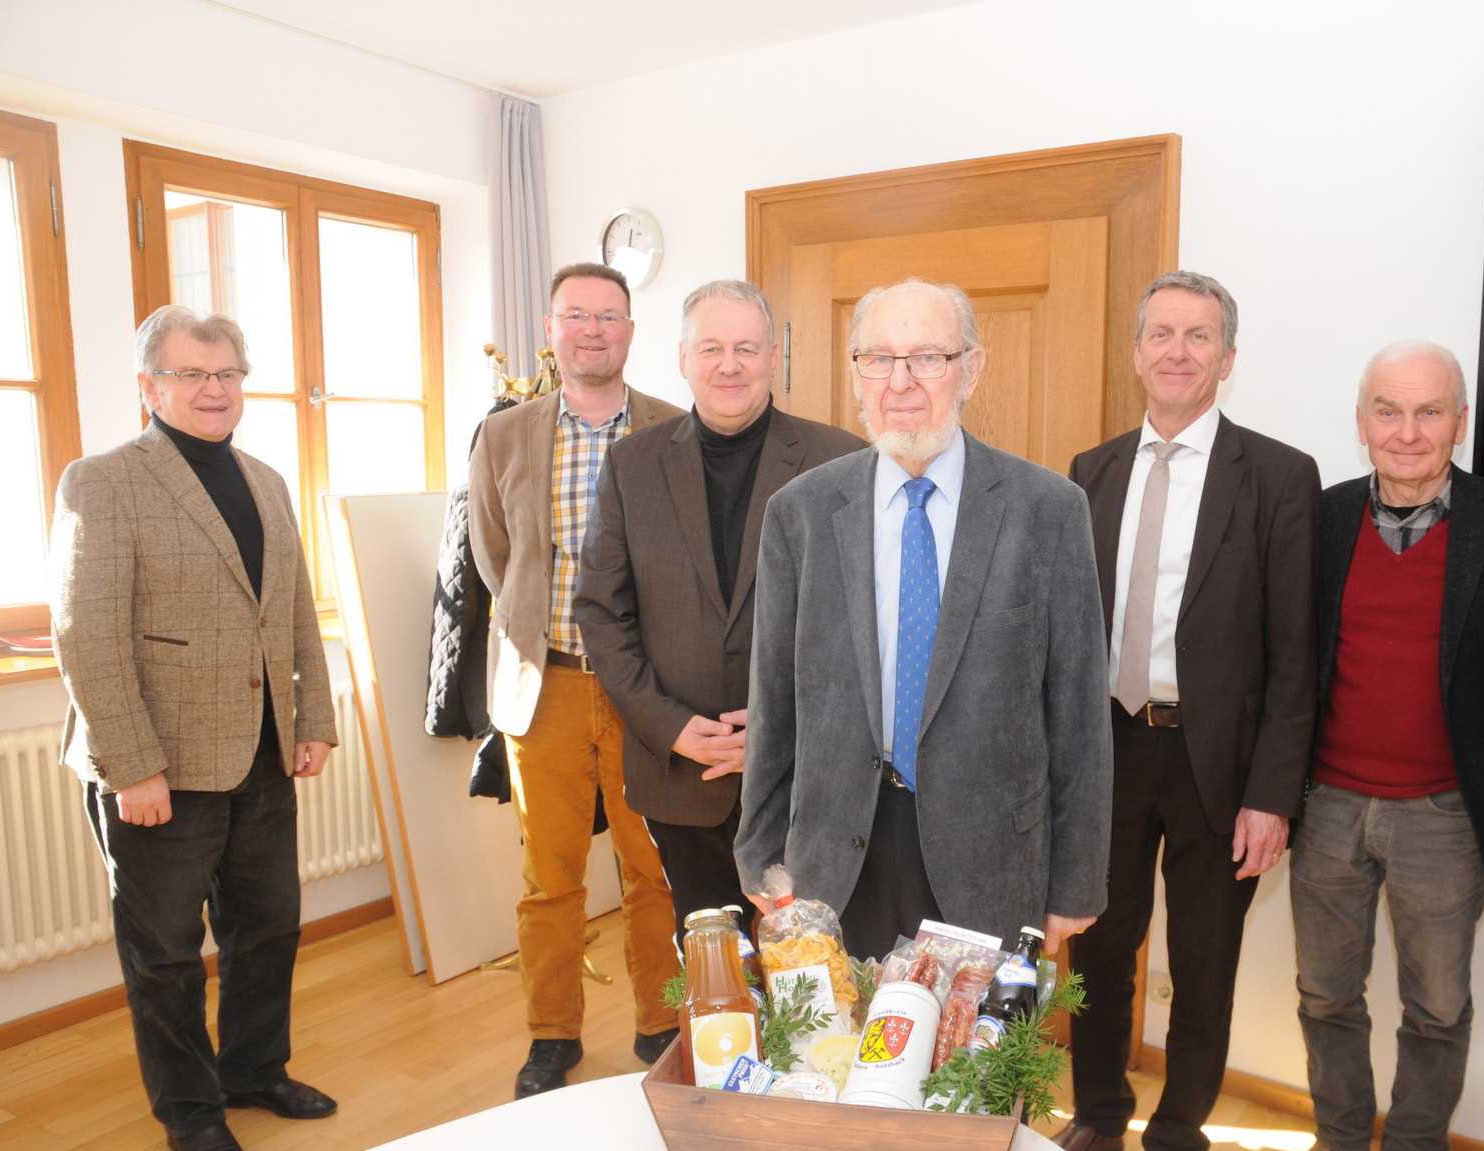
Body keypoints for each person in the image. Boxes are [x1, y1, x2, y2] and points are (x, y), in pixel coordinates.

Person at [1257, 342, 1484, 1151]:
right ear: (1362, 423)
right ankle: (1344, 1145)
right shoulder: (1324, 516)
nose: (1408, 431)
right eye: (1388, 411)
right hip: (1330, 805)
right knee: (1324, 994)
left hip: (1442, 815)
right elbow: (1289, 659)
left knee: (1436, 1007)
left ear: (1459, 423)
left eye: (1431, 412)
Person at [1061, 271, 1322, 1151]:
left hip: (1221, 766)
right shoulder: (1087, 471)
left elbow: (1296, 652)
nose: (1177, 350)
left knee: (1204, 966)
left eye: (1198, 335)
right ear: (1136, 351)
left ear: (1226, 356)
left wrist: (1273, 793)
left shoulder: (1279, 475)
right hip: (1105, 751)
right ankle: (1098, 1108)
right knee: (1098, 944)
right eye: (1161, 333)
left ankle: (1176, 1147)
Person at [735, 278, 1112, 959]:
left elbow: (1080, 714)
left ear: (971, 369)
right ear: (856, 374)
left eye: (927, 357)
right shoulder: (801, 513)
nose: (900, 381)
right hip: (836, 860)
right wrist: (761, 853)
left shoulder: (1047, 510)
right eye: (878, 358)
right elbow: (774, 700)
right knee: (837, 1054)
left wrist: (1075, 885)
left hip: (989, 862)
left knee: (976, 1064)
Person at [49, 306, 339, 1151]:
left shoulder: (265, 480)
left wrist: (314, 717)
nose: (213, 390)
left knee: (268, 928)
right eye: (189, 375)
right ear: (149, 387)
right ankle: (191, 1113)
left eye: (227, 375)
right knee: (168, 956)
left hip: (258, 752)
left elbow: (290, 610)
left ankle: (255, 1071)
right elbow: (83, 633)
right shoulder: (101, 482)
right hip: (157, 767)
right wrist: (132, 764)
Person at [574, 280, 863, 931]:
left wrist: (772, 729)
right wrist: (669, 725)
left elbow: (862, 630)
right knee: (715, 979)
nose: (728, 365)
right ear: (682, 359)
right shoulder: (631, 465)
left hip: (804, 783)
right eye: (711, 348)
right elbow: (601, 613)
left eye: (745, 348)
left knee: (809, 975)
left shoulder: (840, 461)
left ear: (773, 359)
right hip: (681, 776)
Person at [467, 262, 684, 1097]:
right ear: (552, 332)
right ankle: (551, 1035)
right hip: (546, 684)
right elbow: (496, 555)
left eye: (610, 316)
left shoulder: (674, 427)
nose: (593, 330)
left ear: (631, 331)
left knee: (654, 872)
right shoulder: (505, 434)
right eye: (576, 316)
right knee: (549, 878)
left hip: (647, 694)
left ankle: (661, 1023)